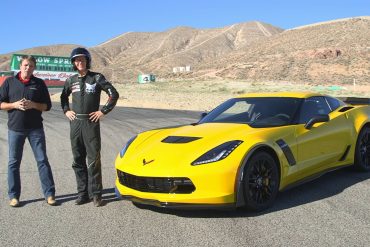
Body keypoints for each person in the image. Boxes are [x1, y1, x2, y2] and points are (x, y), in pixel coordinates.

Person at [61, 47, 119, 207]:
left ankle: (97, 195)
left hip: (91, 123)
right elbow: (63, 97)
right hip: (75, 124)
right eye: (77, 60)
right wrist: (66, 111)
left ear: (87, 61)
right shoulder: (70, 80)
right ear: (74, 62)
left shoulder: (97, 78)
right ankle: (82, 194)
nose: (80, 62)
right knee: (78, 159)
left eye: (82, 59)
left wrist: (103, 112)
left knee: (93, 160)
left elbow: (113, 94)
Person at [0, 55, 57, 207]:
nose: (28, 68)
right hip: (15, 129)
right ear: (20, 66)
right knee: (13, 163)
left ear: (34, 68)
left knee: (42, 161)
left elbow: (47, 106)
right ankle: (14, 196)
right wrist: (14, 105)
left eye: (31, 66)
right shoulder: (9, 82)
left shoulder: (39, 83)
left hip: (35, 129)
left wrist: (33, 105)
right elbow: (1, 103)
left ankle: (49, 194)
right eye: (25, 65)